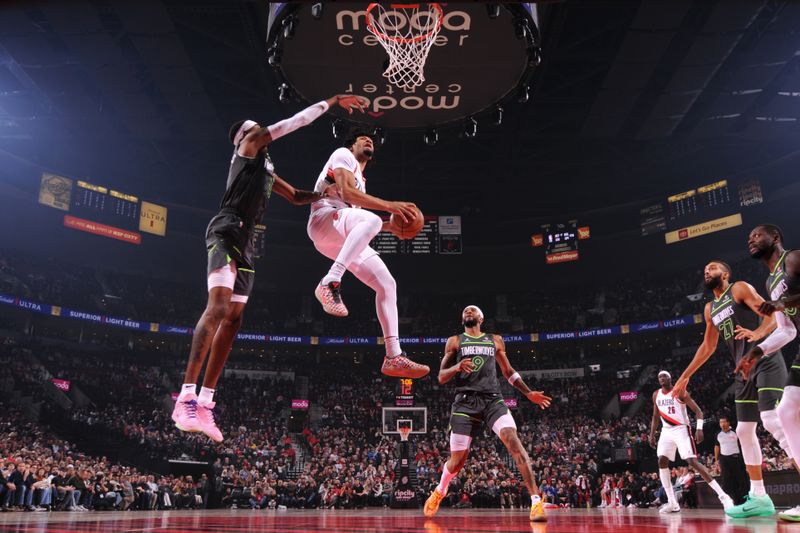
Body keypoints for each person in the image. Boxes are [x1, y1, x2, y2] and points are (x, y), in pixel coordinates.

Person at [172, 94, 368, 442]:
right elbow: (295, 123)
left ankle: (205, 403)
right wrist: (333, 100)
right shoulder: (247, 149)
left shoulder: (266, 168)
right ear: (247, 137)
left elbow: (295, 196)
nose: (262, 133)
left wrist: (325, 191)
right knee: (217, 308)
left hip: (247, 240)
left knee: (233, 321)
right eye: (257, 131)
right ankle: (185, 396)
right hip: (226, 228)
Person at [306, 129, 429, 378]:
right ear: (352, 146)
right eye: (362, 138)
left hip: (337, 235)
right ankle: (330, 282)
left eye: (370, 139)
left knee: (387, 284)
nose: (368, 139)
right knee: (372, 219)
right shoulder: (343, 155)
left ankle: (394, 355)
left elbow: (359, 224)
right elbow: (347, 194)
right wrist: (390, 206)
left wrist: (390, 226)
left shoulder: (362, 180)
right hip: (324, 219)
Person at [673, 260, 790, 517]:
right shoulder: (710, 308)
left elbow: (772, 316)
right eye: (704, 268)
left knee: (773, 420)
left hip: (765, 359)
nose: (707, 270)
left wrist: (758, 334)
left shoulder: (738, 289)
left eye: (713, 267)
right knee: (744, 430)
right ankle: (760, 497)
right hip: (742, 371)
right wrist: (684, 377)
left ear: (725, 274)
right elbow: (708, 347)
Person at [422, 305, 551, 522]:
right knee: (457, 462)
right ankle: (440, 491)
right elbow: (441, 377)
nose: (468, 312)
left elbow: (508, 372)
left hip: (492, 399)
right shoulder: (454, 341)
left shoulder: (495, 340)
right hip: (465, 403)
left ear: (481, 317)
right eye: (465, 311)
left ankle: (536, 502)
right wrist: (457, 367)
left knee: (513, 441)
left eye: (473, 310)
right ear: (462, 318)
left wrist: (528, 393)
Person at [739, 224, 800, 521]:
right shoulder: (769, 281)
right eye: (749, 238)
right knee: (786, 410)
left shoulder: (794, 259)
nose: (751, 240)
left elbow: (785, 304)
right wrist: (757, 350)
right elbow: (787, 330)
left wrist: (781, 303)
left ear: (775, 237)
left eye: (757, 235)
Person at [649, 370, 733, 513]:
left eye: (664, 376)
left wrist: (699, 429)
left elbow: (698, 411)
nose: (661, 378)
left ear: (670, 378)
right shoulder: (656, 394)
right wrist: (652, 434)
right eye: (659, 377)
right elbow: (656, 416)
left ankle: (724, 497)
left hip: (682, 429)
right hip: (666, 431)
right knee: (661, 461)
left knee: (692, 462)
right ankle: (672, 502)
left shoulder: (680, 392)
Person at [715, 416, 748, 505]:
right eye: (720, 422)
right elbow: (717, 446)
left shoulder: (735, 432)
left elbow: (742, 444)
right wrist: (716, 460)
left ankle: (744, 499)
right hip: (724, 459)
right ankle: (734, 500)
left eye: (724, 422)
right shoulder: (718, 434)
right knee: (727, 480)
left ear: (728, 423)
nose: (722, 424)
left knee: (740, 479)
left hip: (736, 458)